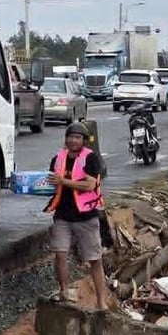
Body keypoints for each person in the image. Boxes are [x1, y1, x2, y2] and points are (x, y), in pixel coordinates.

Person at [45, 122, 109, 310]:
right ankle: (64, 292)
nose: (73, 140)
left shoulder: (91, 159)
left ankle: (101, 302)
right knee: (60, 254)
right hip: (63, 216)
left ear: (83, 140)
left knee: (94, 260)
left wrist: (63, 181)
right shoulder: (57, 158)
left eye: (77, 137)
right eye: (70, 137)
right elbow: (51, 182)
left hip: (86, 217)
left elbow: (89, 185)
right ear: (66, 139)